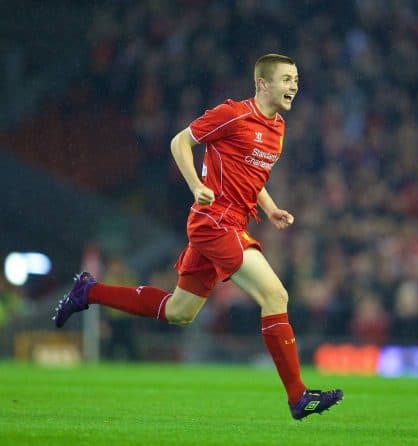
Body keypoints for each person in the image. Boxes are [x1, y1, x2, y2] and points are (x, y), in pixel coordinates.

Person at [53, 54, 343, 420]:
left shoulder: (279, 128)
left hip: (234, 220)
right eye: (287, 79)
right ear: (263, 84)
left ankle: (88, 291)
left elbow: (253, 173)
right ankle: (298, 396)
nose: (294, 86)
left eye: (296, 79)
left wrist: (269, 208)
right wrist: (195, 185)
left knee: (179, 311)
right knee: (275, 294)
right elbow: (180, 142)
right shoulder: (232, 114)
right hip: (214, 220)